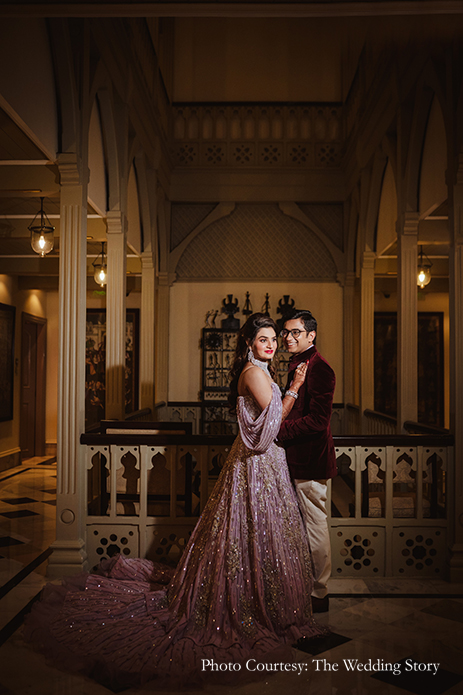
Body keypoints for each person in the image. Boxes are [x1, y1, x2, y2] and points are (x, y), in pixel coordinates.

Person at [24, 313, 325, 689]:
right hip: (255, 466)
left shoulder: (262, 370)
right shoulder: (253, 373)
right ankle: (246, 605)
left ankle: (268, 601)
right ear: (248, 343)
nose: (270, 344)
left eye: (273, 339)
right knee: (245, 535)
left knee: (265, 538)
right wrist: (295, 387)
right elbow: (274, 424)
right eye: (262, 339)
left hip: (267, 466)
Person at [278, 310, 337, 613]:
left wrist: (279, 430)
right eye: (285, 332)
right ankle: (303, 586)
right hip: (296, 459)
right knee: (300, 527)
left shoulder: (319, 368)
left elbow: (318, 421)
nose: (288, 337)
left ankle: (320, 593)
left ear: (311, 335)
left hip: (311, 461)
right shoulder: (300, 366)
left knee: (315, 527)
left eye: (295, 332)